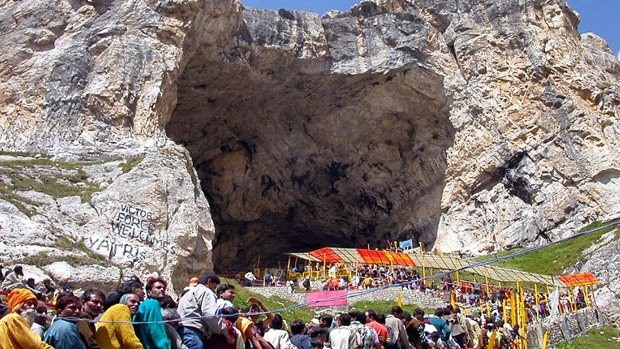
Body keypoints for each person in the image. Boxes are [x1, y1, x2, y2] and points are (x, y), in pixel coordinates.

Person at [177, 272, 236, 349]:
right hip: (194, 332)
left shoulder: (187, 293)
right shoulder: (207, 292)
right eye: (214, 287)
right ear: (209, 282)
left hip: (181, 330)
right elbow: (210, 316)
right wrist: (226, 333)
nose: (214, 290)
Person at [134, 277, 171, 349]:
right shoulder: (153, 304)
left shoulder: (144, 305)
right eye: (158, 287)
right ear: (149, 292)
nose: (162, 289)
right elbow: (156, 331)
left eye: (164, 288)